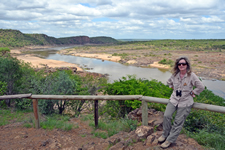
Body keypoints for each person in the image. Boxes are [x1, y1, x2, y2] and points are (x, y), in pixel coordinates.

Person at [158, 56, 205, 148]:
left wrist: (193, 92)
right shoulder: (175, 74)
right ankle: (165, 134)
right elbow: (168, 82)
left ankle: (170, 140)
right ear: (177, 65)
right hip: (174, 99)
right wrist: (174, 88)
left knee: (178, 122)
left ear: (187, 65)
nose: (181, 65)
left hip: (185, 102)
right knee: (166, 116)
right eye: (179, 64)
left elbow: (201, 87)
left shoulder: (192, 75)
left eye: (183, 64)